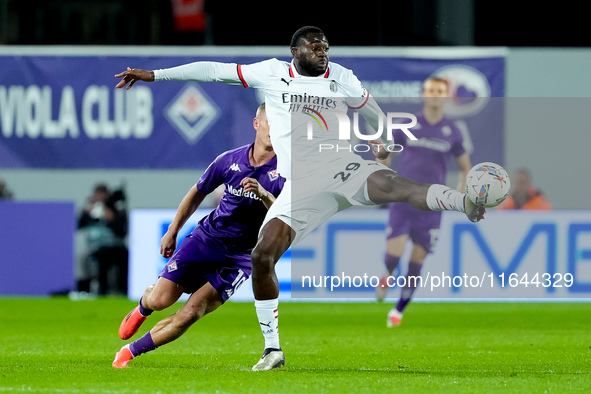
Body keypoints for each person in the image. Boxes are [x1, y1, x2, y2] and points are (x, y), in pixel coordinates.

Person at [115, 25, 486, 371]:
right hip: (303, 185)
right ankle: (272, 349)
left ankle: (463, 202)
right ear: (295, 51)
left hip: (342, 167)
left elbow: (375, 115)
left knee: (396, 187)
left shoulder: (342, 78)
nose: (322, 50)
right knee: (262, 255)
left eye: (325, 46)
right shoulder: (271, 72)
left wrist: (383, 140)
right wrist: (155, 76)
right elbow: (213, 70)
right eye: (314, 45)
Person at [113, 103, 285, 368]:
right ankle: (144, 305)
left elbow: (285, 217)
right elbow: (198, 191)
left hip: (239, 257)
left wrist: (263, 194)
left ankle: (127, 354)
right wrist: (173, 231)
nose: (276, 129)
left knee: (192, 312)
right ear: (256, 124)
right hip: (206, 240)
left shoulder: (285, 171)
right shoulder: (229, 160)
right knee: (161, 300)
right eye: (270, 121)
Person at [375, 77, 472, 327]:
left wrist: (461, 199)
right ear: (424, 94)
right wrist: (380, 164)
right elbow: (387, 157)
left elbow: (465, 168)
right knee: (394, 256)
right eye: (431, 90)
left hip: (432, 206)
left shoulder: (453, 131)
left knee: (417, 261)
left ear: (446, 96)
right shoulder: (409, 124)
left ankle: (397, 311)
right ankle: (387, 273)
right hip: (403, 200)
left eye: (440, 91)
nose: (435, 94)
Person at [76, 183, 128, 295]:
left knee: (124, 257)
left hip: (115, 247)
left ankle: (123, 291)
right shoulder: (89, 209)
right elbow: (79, 225)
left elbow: (122, 231)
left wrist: (110, 215)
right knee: (87, 260)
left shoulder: (115, 208)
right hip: (95, 248)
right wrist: (87, 212)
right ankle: (99, 291)